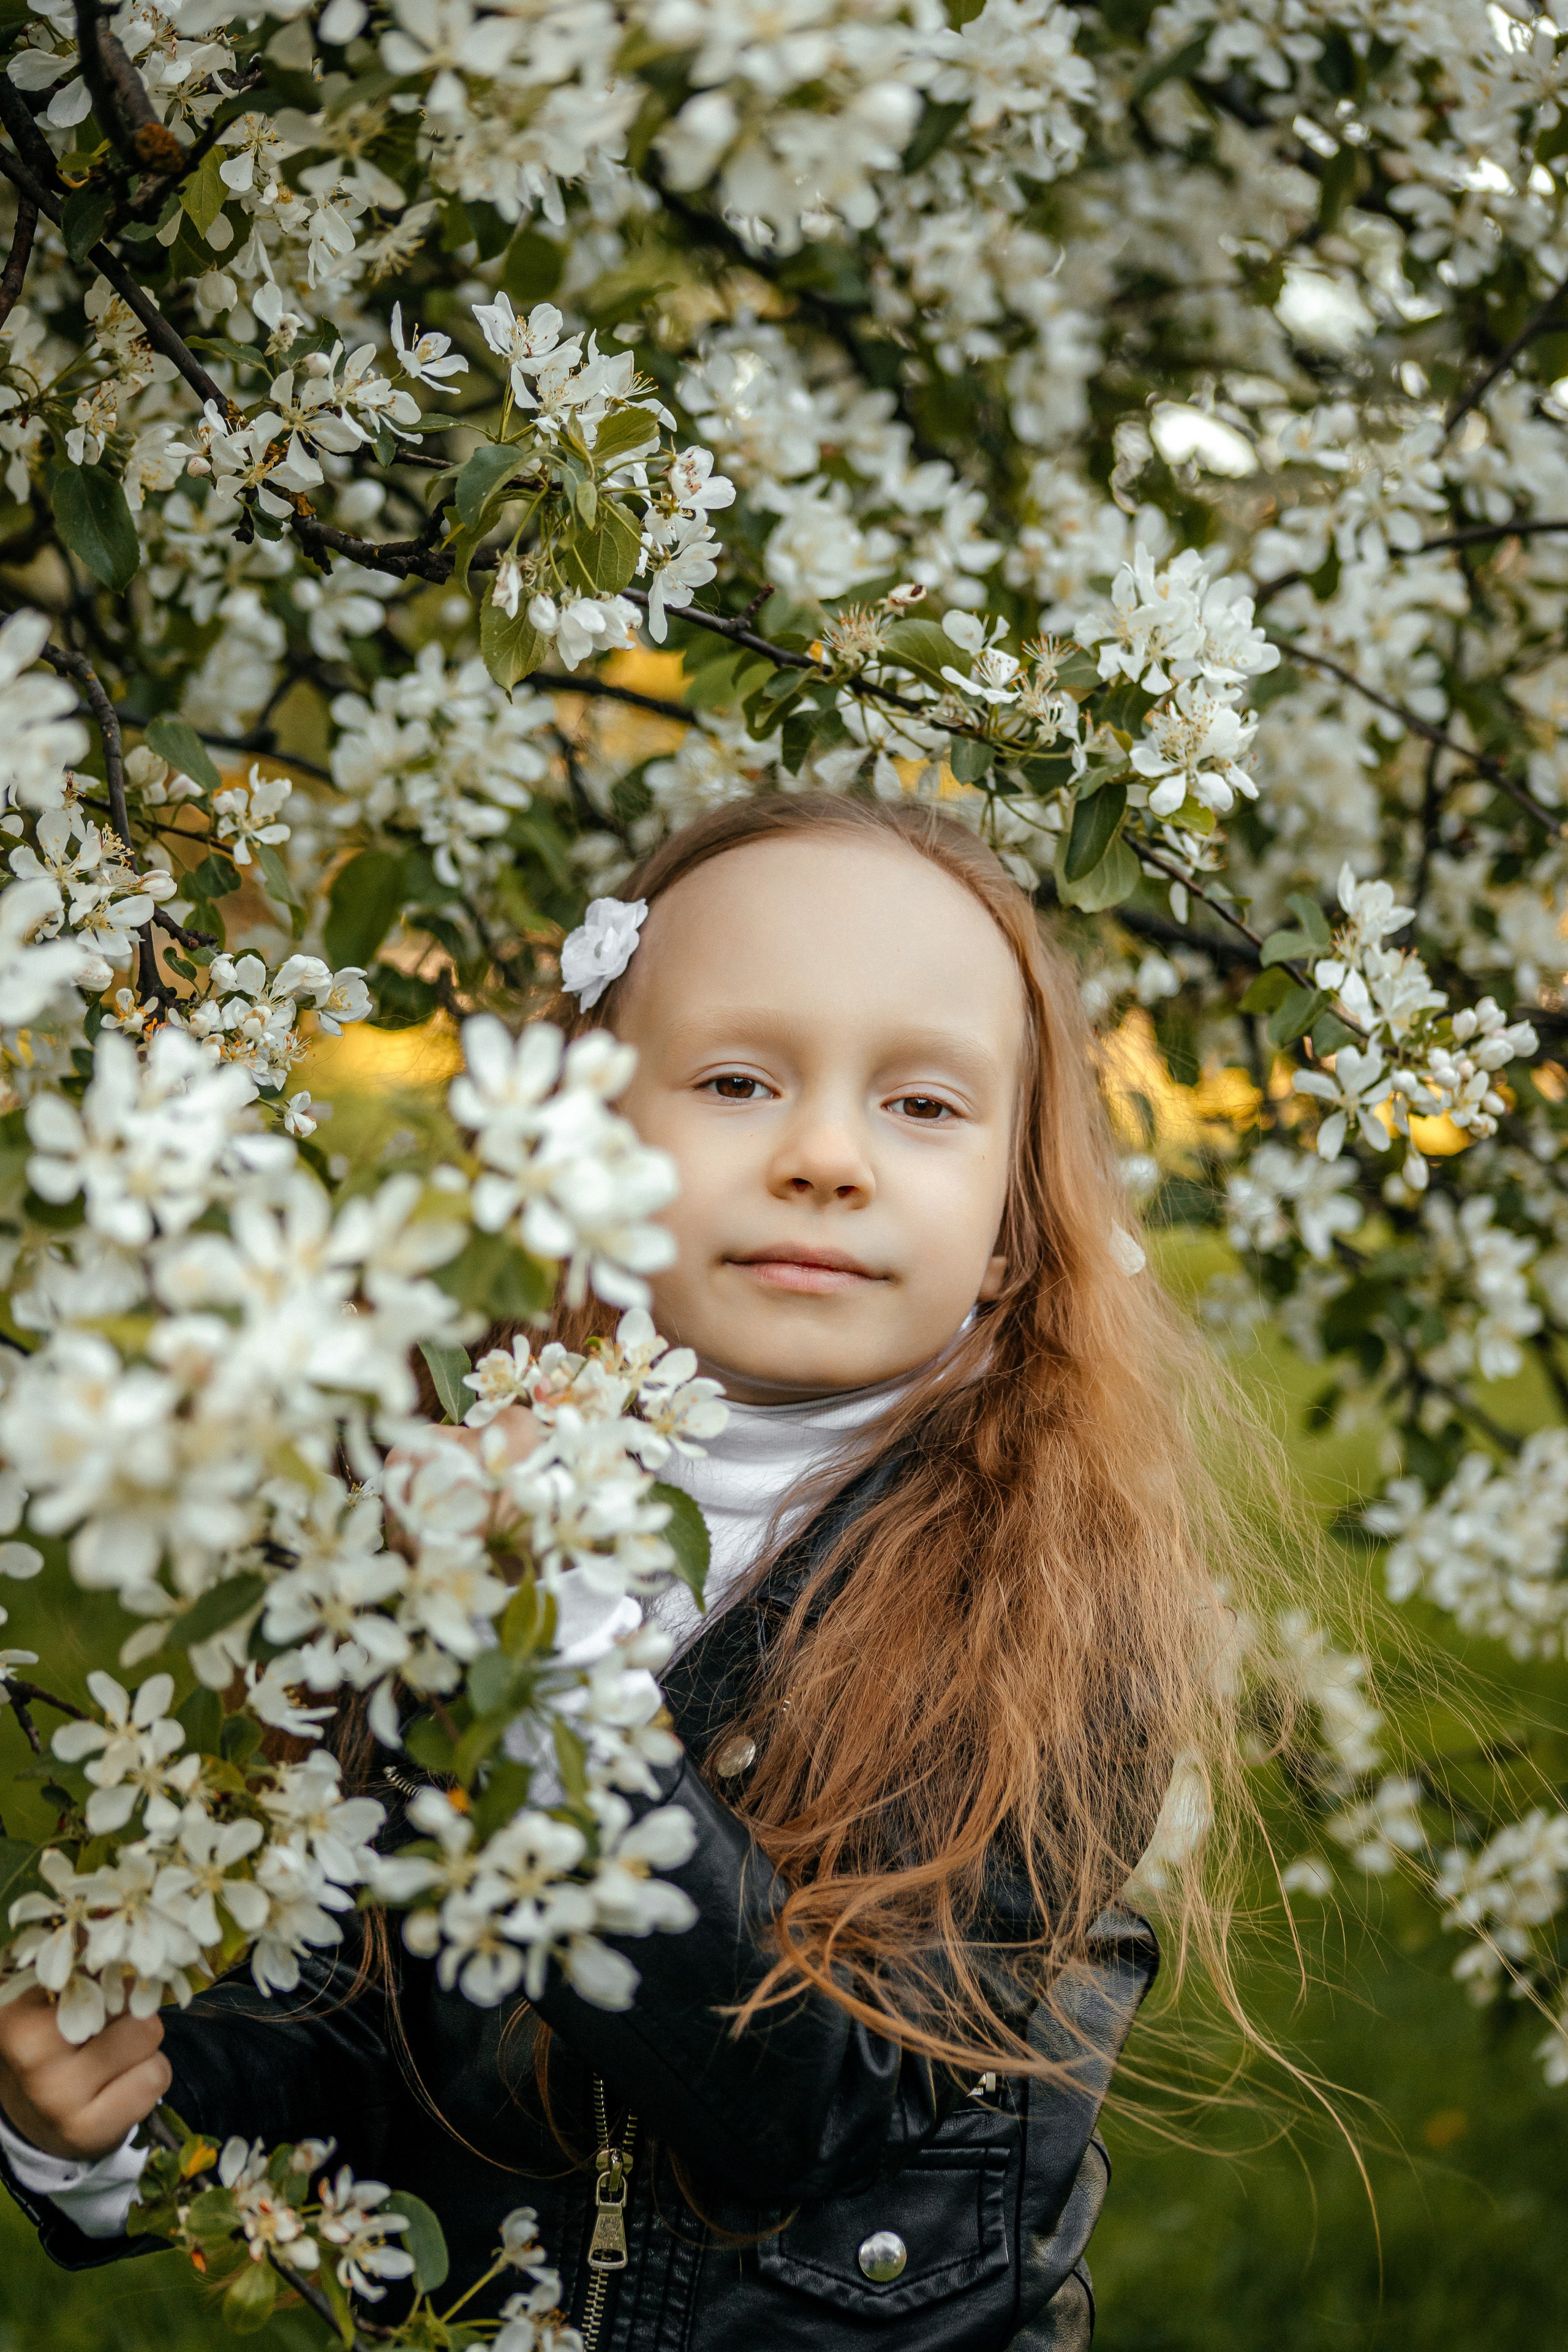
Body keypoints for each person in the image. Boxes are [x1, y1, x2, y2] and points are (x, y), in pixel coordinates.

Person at [0, 793, 1283, 2349]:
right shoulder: (415, 1509)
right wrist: (112, 2120)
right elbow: (350, 2027)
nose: (822, 1156)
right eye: (737, 1080)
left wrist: (548, 1674)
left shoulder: (1057, 1611)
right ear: (580, 1143)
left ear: (1014, 1228)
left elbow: (807, 2099)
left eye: (924, 1106)